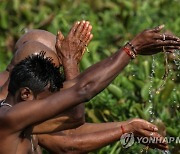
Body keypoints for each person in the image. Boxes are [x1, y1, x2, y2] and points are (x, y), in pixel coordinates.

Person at [1, 22, 180, 154]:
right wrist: (132, 48)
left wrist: (128, 127)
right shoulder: (11, 117)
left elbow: (71, 123)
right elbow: (78, 103)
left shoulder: (21, 105)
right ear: (26, 92)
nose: (55, 100)